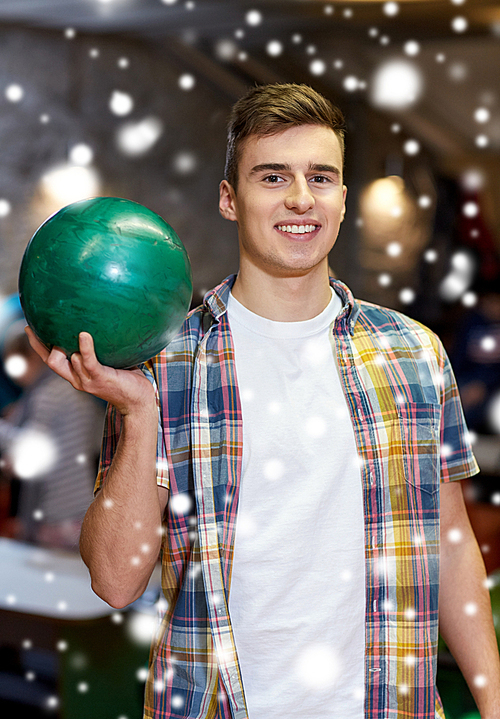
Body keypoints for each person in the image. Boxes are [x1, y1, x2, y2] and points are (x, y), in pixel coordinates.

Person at [27, 84, 500, 719]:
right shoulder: (165, 364)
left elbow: (448, 538)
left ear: (340, 199)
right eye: (272, 176)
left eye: (321, 177)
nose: (301, 198)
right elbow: (115, 582)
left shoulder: (414, 353)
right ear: (230, 198)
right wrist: (139, 414)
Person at [1, 326, 105, 549]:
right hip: (84, 504)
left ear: (33, 358)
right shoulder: (77, 390)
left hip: (57, 512)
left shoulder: (45, 395)